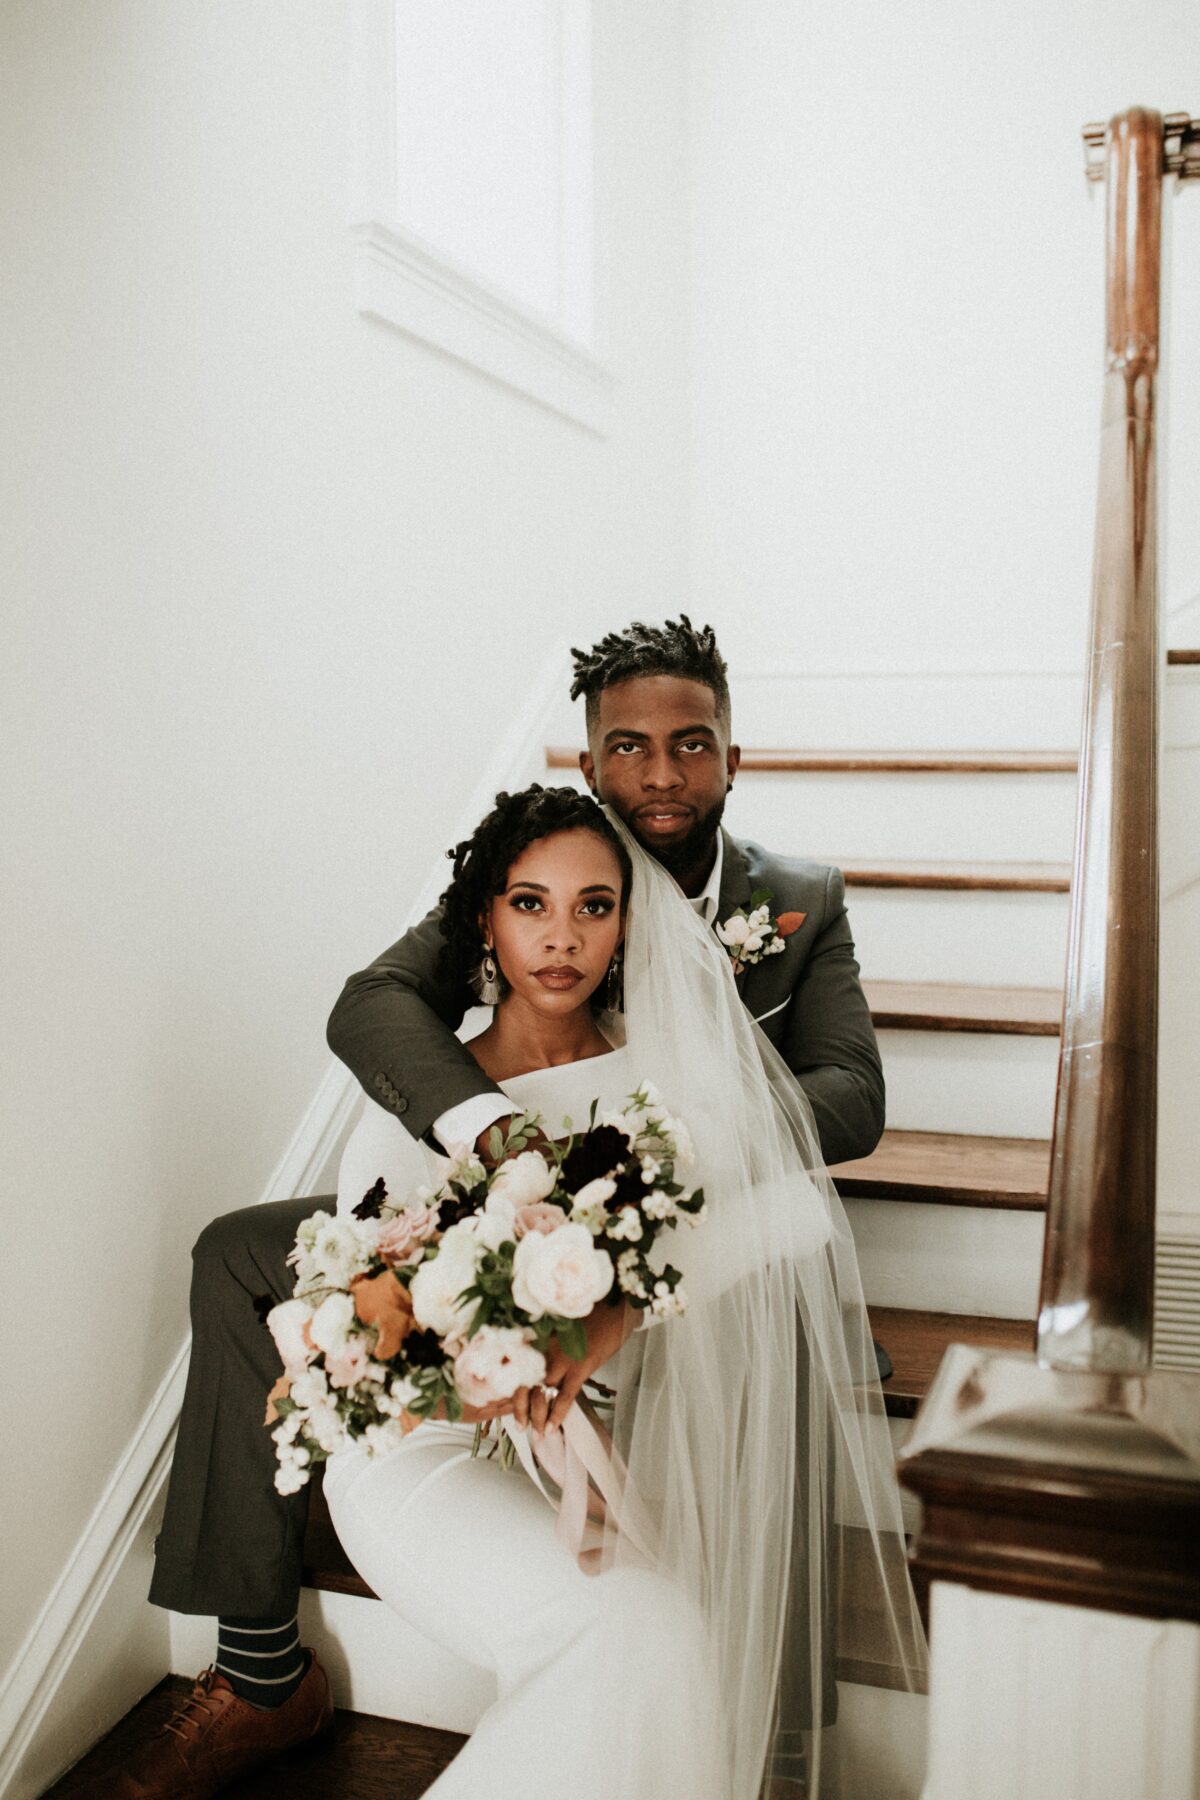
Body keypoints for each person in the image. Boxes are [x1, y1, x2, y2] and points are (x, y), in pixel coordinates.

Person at [131, 617, 891, 1798]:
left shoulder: (794, 899)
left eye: (691, 746)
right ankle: (262, 1671)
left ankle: (776, 1733)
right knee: (243, 1253)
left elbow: (848, 1095)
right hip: (494, 1177)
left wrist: (635, 1173)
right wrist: (503, 1146)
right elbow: (375, 1001)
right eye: (628, 747)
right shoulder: (544, 857)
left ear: (734, 756)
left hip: (676, 1200)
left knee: (774, 1323)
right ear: (587, 761)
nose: (660, 774)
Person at [321, 782, 920, 1798]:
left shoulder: (668, 1089)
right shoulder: (425, 1099)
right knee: (633, 1630)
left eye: (593, 906)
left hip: (620, 1446)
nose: (563, 937)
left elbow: (795, 1217)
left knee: (664, 1644)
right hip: (429, 1457)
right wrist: (498, 1352)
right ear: (485, 920)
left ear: (628, 924)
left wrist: (619, 1306)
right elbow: (367, 1347)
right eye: (531, 904)